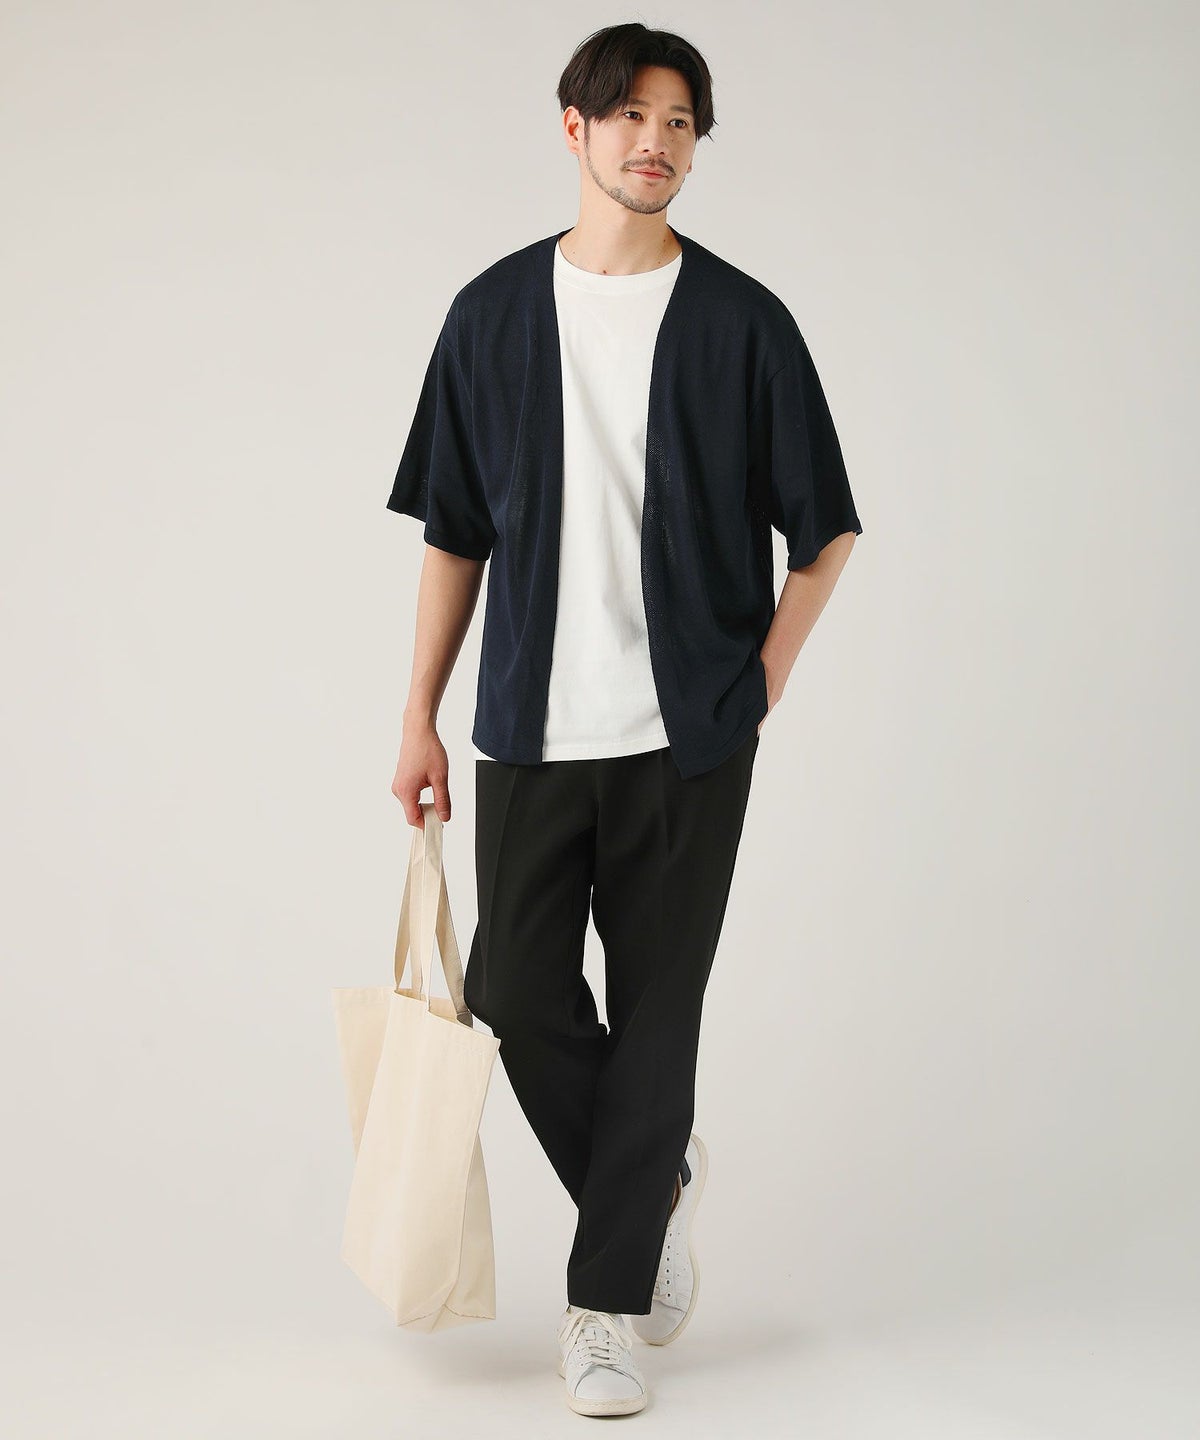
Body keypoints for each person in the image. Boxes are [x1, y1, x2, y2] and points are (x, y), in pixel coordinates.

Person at [387, 21, 861, 1419]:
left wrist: (761, 680)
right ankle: (654, 1182)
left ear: (695, 146)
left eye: (680, 122)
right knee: (513, 992)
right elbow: (454, 534)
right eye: (630, 115)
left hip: (688, 735)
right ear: (575, 128)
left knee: (658, 1014)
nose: (656, 141)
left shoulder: (744, 323)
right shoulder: (488, 315)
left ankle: (601, 1315)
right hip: (530, 724)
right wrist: (417, 713)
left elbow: (826, 530)